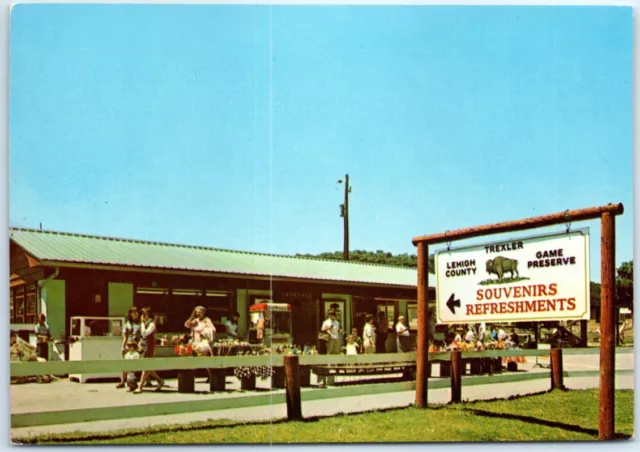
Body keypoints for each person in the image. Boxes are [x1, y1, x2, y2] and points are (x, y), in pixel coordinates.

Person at [136, 307, 165, 393]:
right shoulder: (145, 324)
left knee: (146, 366)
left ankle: (140, 386)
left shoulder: (152, 324)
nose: (142, 316)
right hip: (143, 345)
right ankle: (160, 381)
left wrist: (142, 323)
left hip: (149, 347)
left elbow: (145, 333)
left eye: (144, 314)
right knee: (146, 366)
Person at [116, 307, 141, 389]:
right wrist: (122, 347)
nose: (135, 314)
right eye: (133, 313)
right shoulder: (127, 324)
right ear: (130, 314)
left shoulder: (140, 323)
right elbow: (125, 336)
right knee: (124, 363)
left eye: (136, 312)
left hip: (137, 345)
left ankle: (146, 381)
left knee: (140, 364)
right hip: (129, 344)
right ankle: (123, 381)